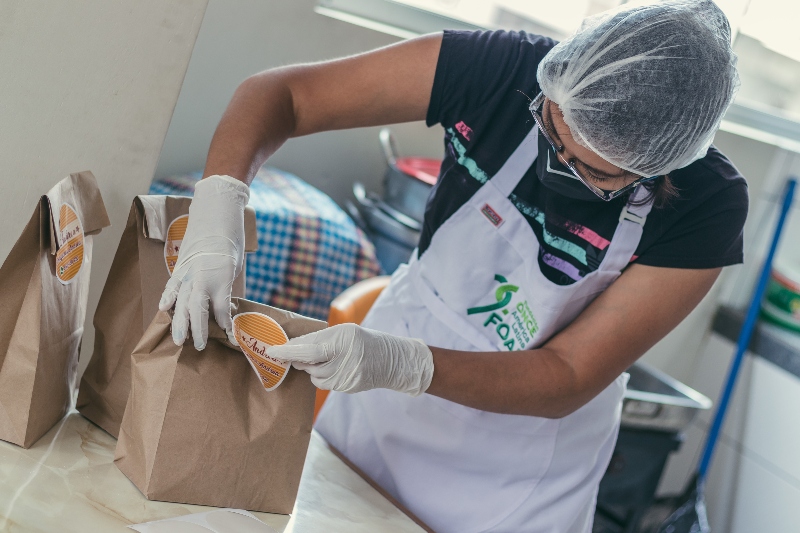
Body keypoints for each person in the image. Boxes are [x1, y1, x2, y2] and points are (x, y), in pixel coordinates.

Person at [159, 0, 748, 530]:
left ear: (658, 170)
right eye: (552, 130)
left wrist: (401, 364)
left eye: (596, 174)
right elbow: (283, 96)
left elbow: (568, 373)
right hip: (379, 412)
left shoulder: (709, 204)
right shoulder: (502, 70)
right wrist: (218, 210)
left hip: (515, 477)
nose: (557, 166)